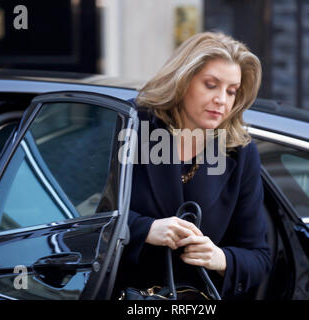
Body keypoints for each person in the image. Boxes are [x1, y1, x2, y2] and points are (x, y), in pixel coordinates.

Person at [115, 32, 271, 299]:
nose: (222, 99)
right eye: (211, 85)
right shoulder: (130, 126)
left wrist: (220, 258)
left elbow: (258, 258)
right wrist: (145, 229)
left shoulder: (239, 152)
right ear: (183, 81)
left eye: (231, 91)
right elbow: (80, 217)